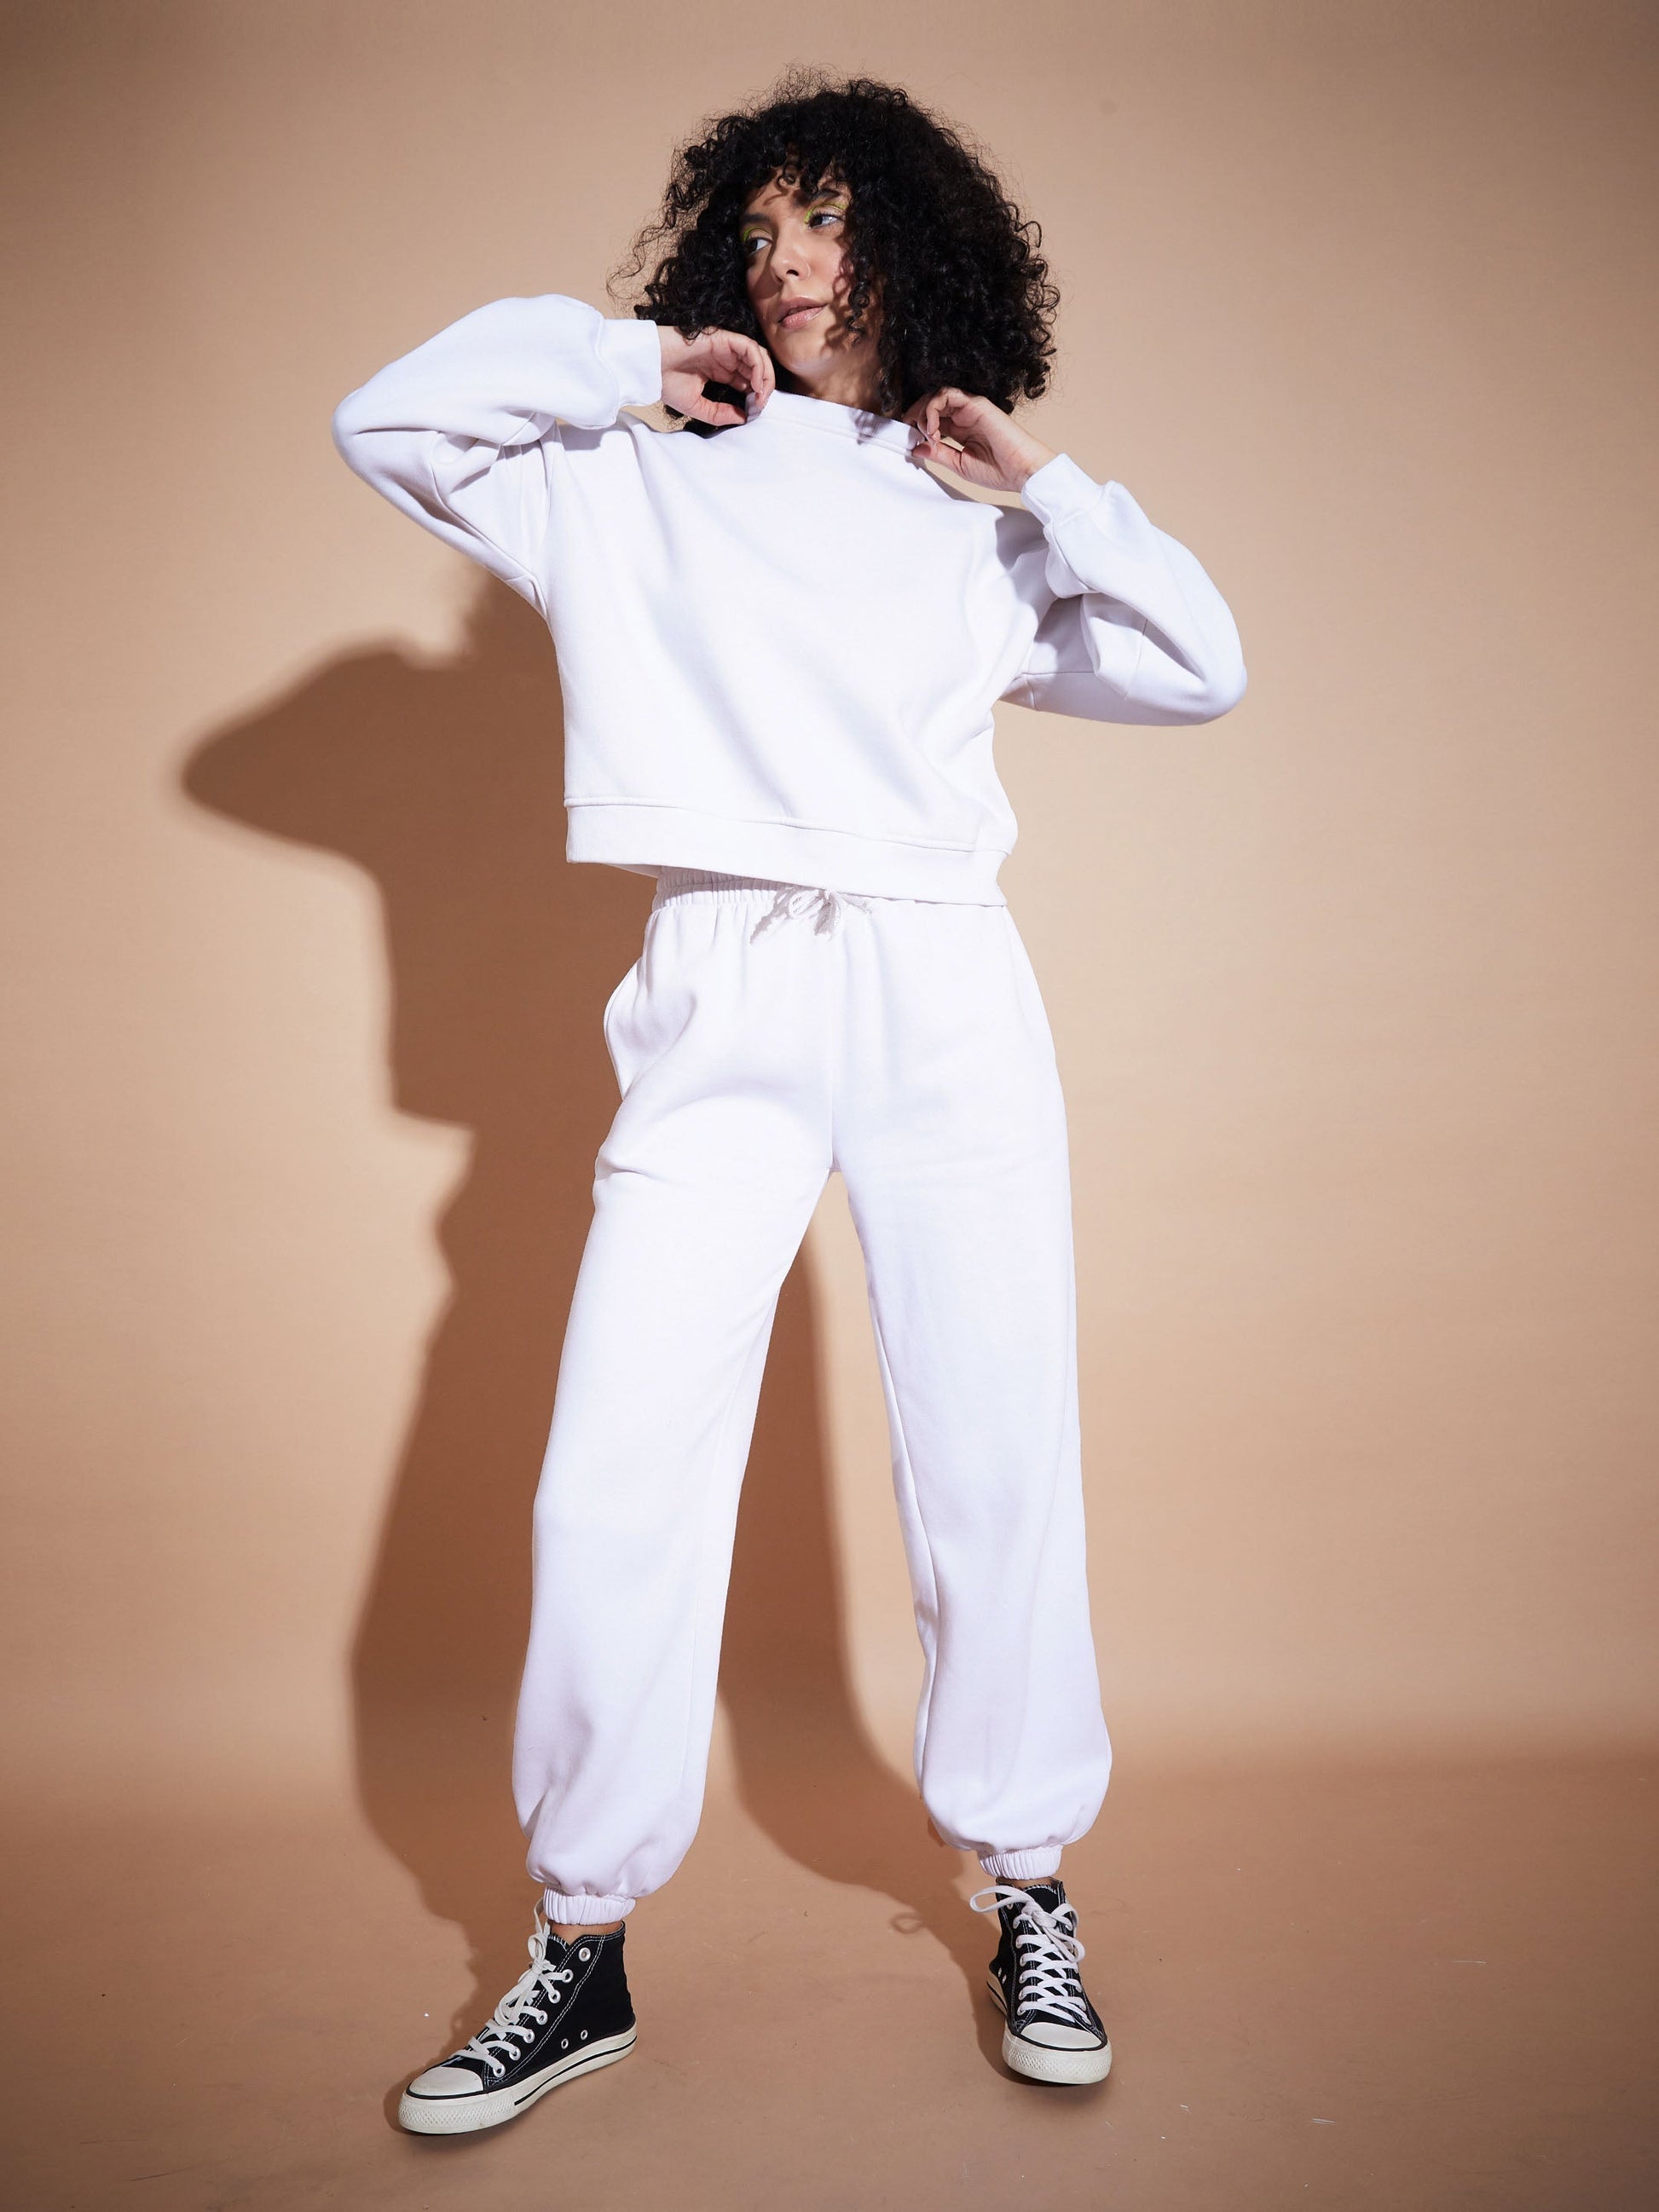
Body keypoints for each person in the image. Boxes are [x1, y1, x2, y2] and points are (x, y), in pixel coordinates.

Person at [332, 66, 1246, 2133]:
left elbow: (1201, 663)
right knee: (617, 1469)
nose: (785, 258)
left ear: (911, 243)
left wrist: (1045, 486)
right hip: (721, 979)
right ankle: (581, 1942)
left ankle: (1027, 1880)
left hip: (940, 979)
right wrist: (621, 368)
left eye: (824, 218)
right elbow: (386, 419)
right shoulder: (624, 474)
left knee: (995, 1447)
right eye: (755, 228)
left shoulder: (970, 512)